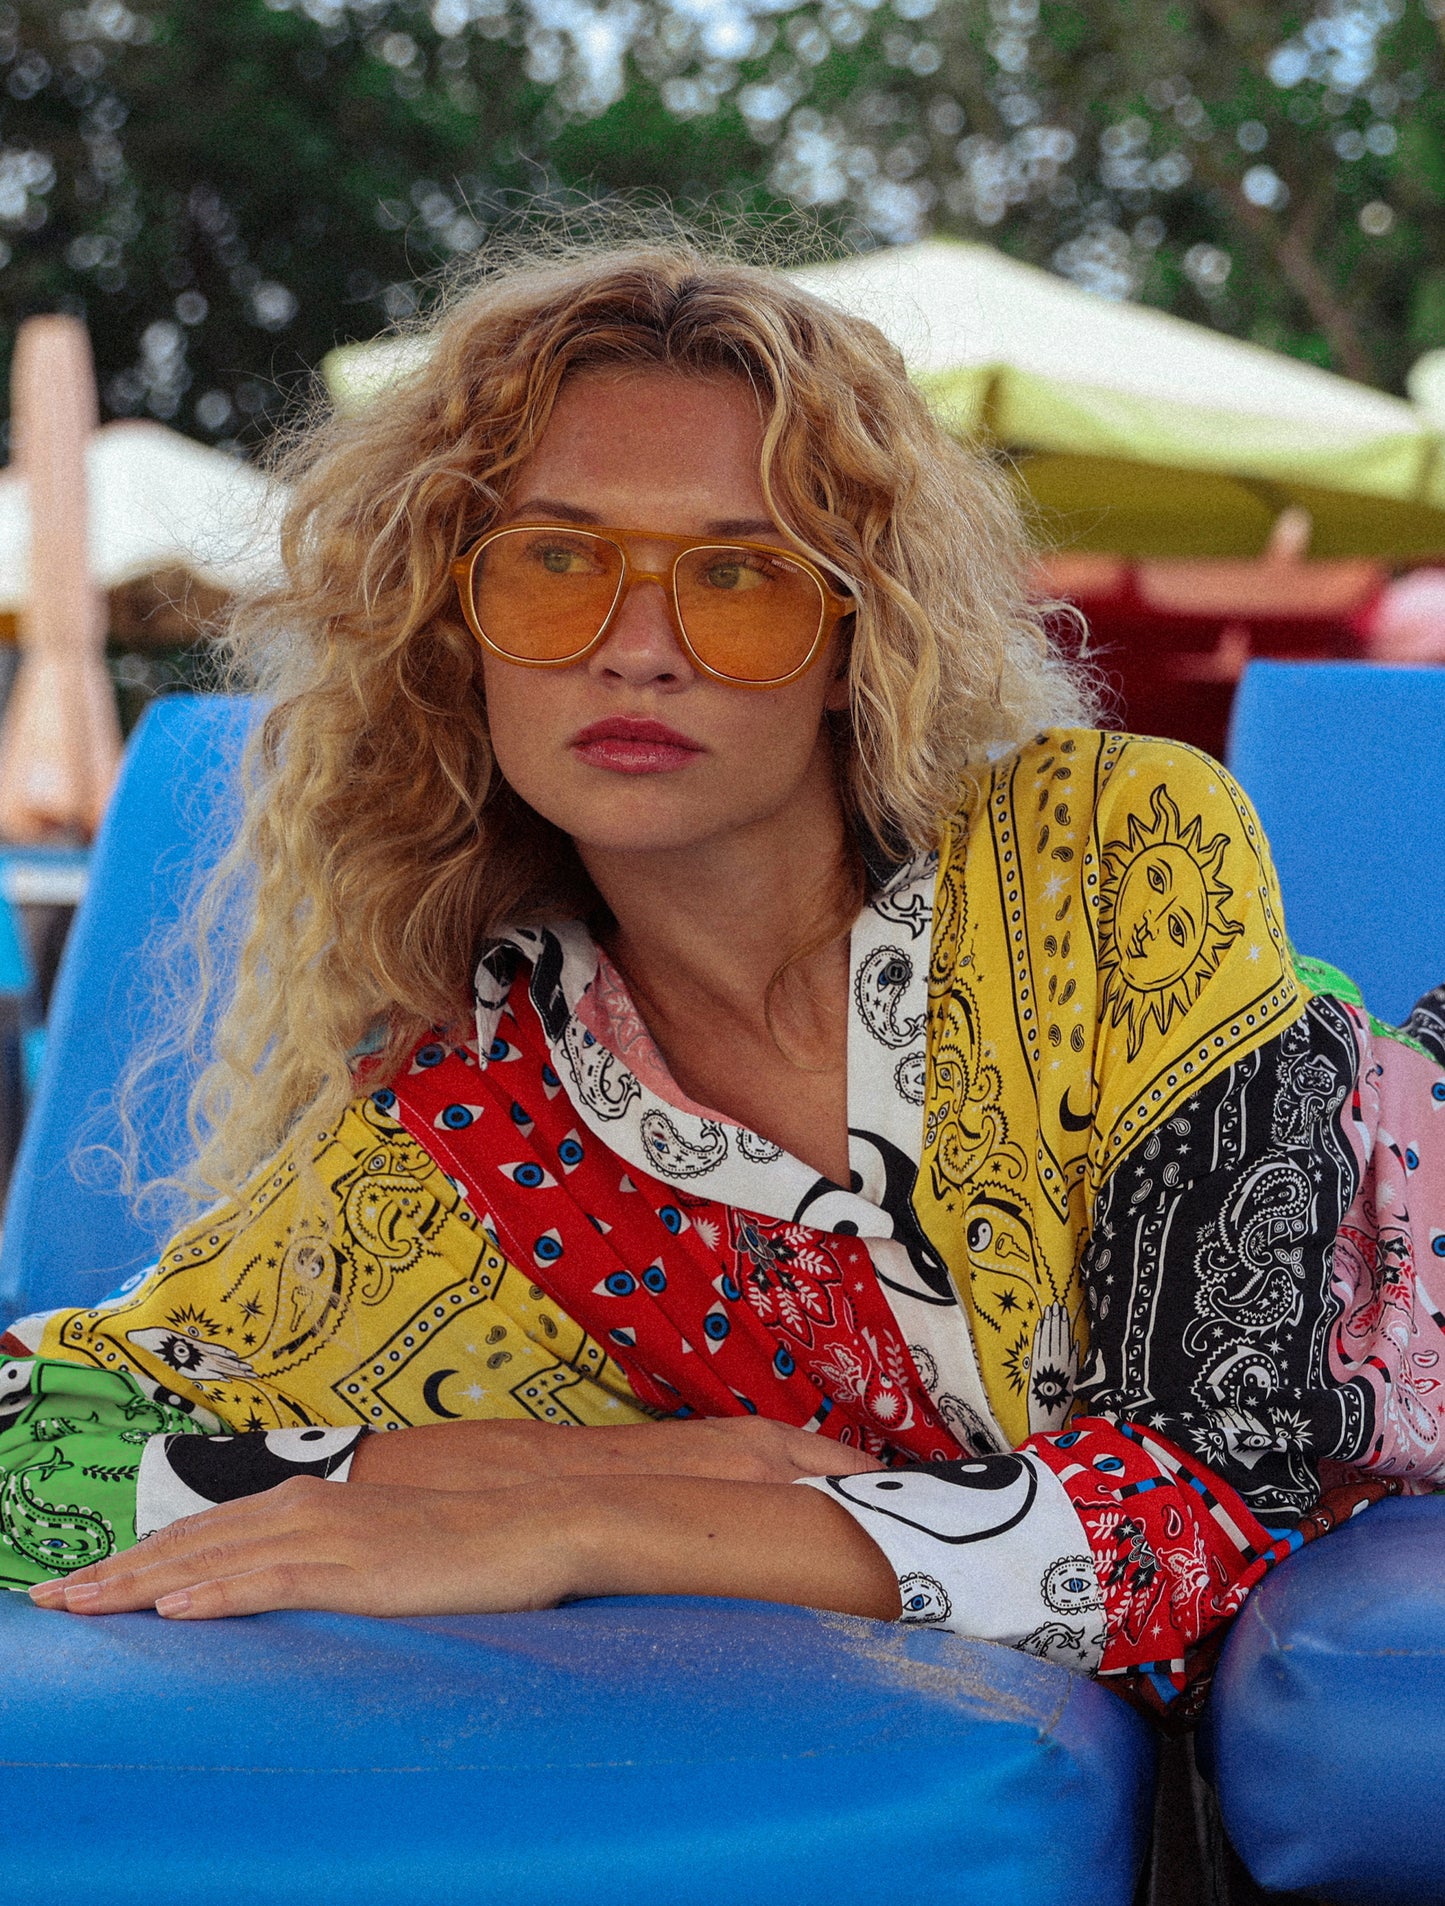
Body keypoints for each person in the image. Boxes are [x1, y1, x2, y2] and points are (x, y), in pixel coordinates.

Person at [7, 239, 1444, 1724]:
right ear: (453, 629)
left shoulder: (1103, 850)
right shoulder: (481, 1129)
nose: (638, 649)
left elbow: (1215, 1489)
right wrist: (530, 1465)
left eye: (740, 574)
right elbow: (26, 1439)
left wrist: (587, 1523)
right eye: (556, 561)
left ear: (855, 638)